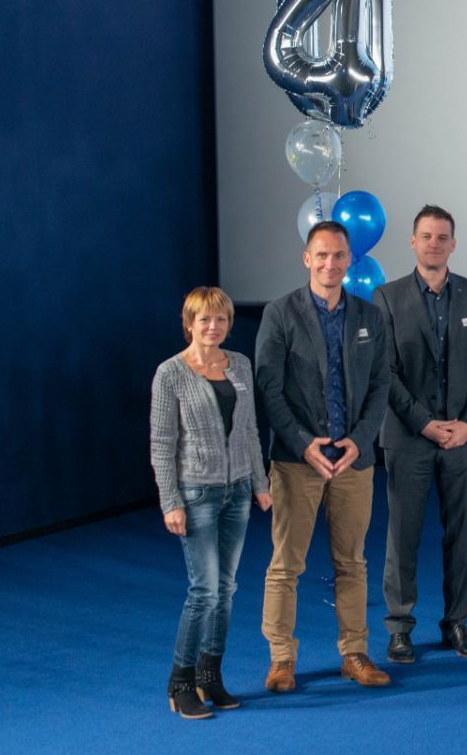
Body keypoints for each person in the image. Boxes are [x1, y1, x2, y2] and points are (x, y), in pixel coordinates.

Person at [255, 220, 391, 692]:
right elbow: (269, 388)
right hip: (298, 461)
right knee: (285, 565)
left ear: (350, 260)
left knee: (352, 563)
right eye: (322, 255)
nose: (330, 264)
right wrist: (301, 443)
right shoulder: (279, 313)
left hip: (353, 460)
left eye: (338, 255)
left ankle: (355, 654)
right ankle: (281, 659)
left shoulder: (370, 317)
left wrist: (361, 438)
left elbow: (380, 385)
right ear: (307, 259)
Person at [374, 205, 467, 664]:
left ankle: (457, 622)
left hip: (463, 439)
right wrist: (424, 423)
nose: (434, 243)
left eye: (442, 237)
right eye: (426, 236)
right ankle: (399, 627)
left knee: (461, 536)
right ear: (413, 242)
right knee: (402, 535)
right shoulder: (386, 297)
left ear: (453, 244)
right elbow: (384, 372)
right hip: (410, 437)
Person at [150, 286, 271, 719]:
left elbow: (250, 430)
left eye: (221, 319)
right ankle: (180, 682)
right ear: (189, 324)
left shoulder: (239, 364)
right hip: (196, 493)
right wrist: (171, 501)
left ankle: (210, 675)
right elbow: (162, 443)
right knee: (203, 591)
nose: (213, 326)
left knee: (227, 590)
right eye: (204, 319)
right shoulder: (170, 373)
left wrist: (260, 483)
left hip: (236, 492)